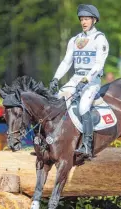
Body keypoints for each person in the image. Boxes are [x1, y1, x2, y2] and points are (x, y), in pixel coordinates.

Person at [49, 4, 109, 157]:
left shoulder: (99, 39)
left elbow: (99, 64)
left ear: (94, 20)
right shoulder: (74, 40)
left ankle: (87, 146)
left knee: (83, 108)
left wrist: (87, 79)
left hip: (92, 81)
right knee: (55, 102)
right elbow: (66, 62)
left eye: (87, 19)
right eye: (82, 19)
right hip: (75, 79)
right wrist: (56, 78)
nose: (84, 22)